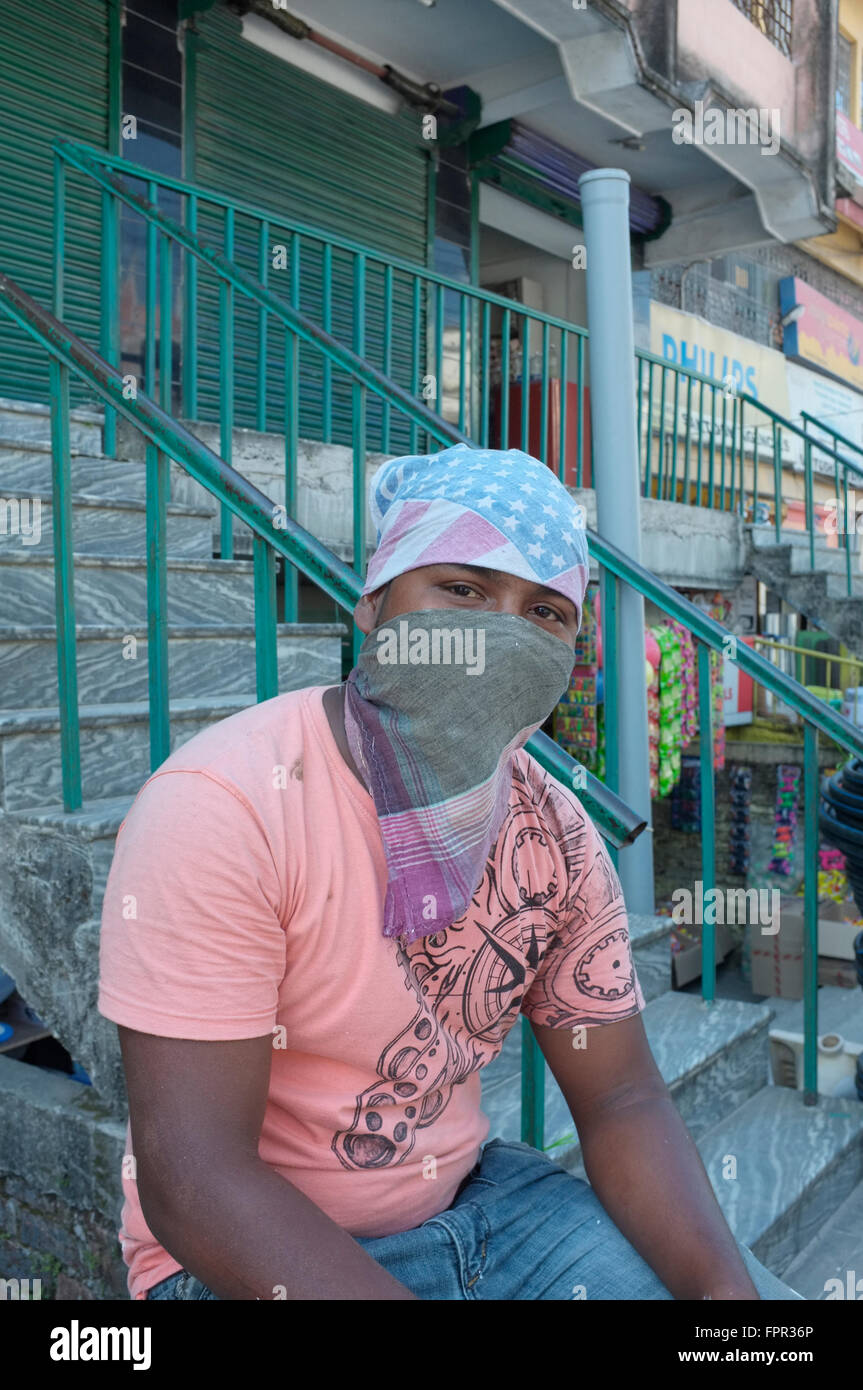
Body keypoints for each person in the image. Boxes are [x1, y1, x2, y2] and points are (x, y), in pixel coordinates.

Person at [98, 443, 802, 1301]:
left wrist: (728, 1304)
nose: (499, 634)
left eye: (544, 613)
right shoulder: (224, 806)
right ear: (374, 603)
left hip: (485, 1207)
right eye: (463, 591)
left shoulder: (560, 838)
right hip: (250, 1259)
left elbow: (620, 1099)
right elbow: (196, 1179)